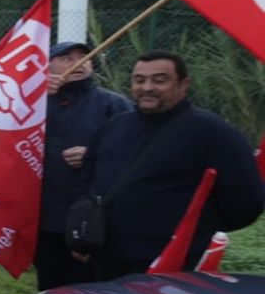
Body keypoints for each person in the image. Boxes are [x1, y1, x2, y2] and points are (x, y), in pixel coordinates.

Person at [80, 50, 263, 280]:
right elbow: (89, 179)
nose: (147, 87)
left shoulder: (214, 133)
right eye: (139, 80)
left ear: (183, 85)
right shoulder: (116, 125)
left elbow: (247, 201)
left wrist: (196, 230)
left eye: (159, 80)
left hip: (171, 263)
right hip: (105, 257)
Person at [34, 41, 132, 290]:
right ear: (48, 66)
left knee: (91, 290)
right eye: (66, 57)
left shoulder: (114, 105)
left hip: (92, 219)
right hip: (45, 217)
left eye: (84, 56)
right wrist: (36, 96)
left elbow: (136, 152)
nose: (77, 62)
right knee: (50, 285)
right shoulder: (34, 104)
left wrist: (93, 155)